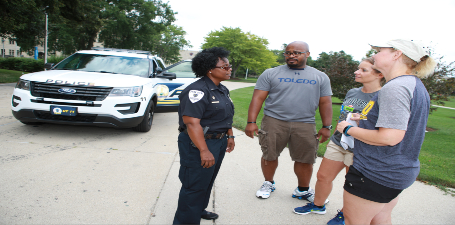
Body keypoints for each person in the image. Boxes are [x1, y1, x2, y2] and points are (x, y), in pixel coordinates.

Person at [336, 39, 436, 224]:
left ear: (396, 54)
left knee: (353, 221)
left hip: (376, 172)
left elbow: (389, 137)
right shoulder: (411, 83)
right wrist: (365, 121)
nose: (374, 55)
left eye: (380, 50)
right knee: (380, 219)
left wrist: (348, 129)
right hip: (396, 171)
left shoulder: (395, 88)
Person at [293, 57, 384, 224]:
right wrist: (333, 136)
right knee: (323, 176)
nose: (357, 72)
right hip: (338, 142)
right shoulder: (352, 92)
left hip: (359, 147)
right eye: (358, 68)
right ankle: (318, 205)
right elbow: (342, 117)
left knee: (352, 185)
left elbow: (383, 130)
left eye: (363, 70)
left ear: (379, 74)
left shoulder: (382, 97)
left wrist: (362, 120)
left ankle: (345, 214)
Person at [245, 41, 333, 201]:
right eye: (288, 52)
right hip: (274, 121)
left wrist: (327, 126)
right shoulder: (270, 73)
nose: (291, 55)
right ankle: (268, 183)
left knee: (305, 159)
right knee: (269, 154)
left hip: (305, 123)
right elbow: (257, 98)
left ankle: (303, 190)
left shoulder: (320, 76)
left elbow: (325, 102)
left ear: (307, 54)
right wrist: (251, 122)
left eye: (296, 52)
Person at [173, 47, 235, 225]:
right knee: (193, 185)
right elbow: (192, 123)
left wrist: (230, 136)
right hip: (198, 144)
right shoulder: (197, 91)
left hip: (218, 142)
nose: (229, 69)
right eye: (225, 67)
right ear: (210, 69)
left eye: (229, 66)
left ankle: (198, 210)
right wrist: (203, 150)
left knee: (206, 181)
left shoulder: (221, 89)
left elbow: (225, 116)